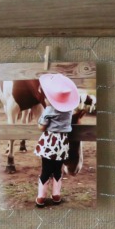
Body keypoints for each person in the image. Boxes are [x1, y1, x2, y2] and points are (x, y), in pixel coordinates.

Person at [34, 73, 81, 207]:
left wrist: (40, 123)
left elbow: (42, 127)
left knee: (45, 170)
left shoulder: (48, 110)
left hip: (49, 143)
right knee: (57, 170)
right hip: (62, 144)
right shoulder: (69, 111)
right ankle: (56, 195)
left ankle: (41, 197)